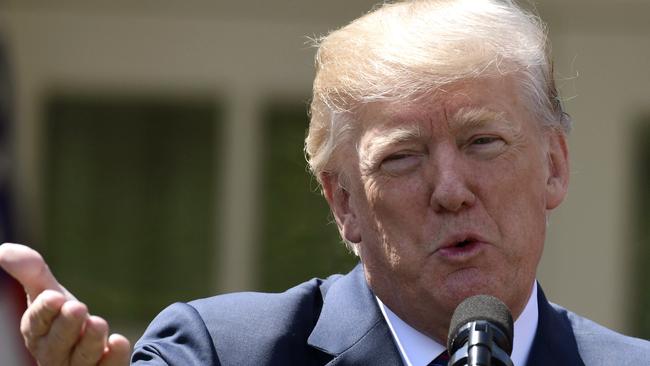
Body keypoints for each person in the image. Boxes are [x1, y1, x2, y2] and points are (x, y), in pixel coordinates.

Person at [1, 0, 649, 365]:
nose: (451, 189)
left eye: (483, 142)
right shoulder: (219, 354)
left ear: (554, 166)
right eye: (403, 157)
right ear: (344, 203)